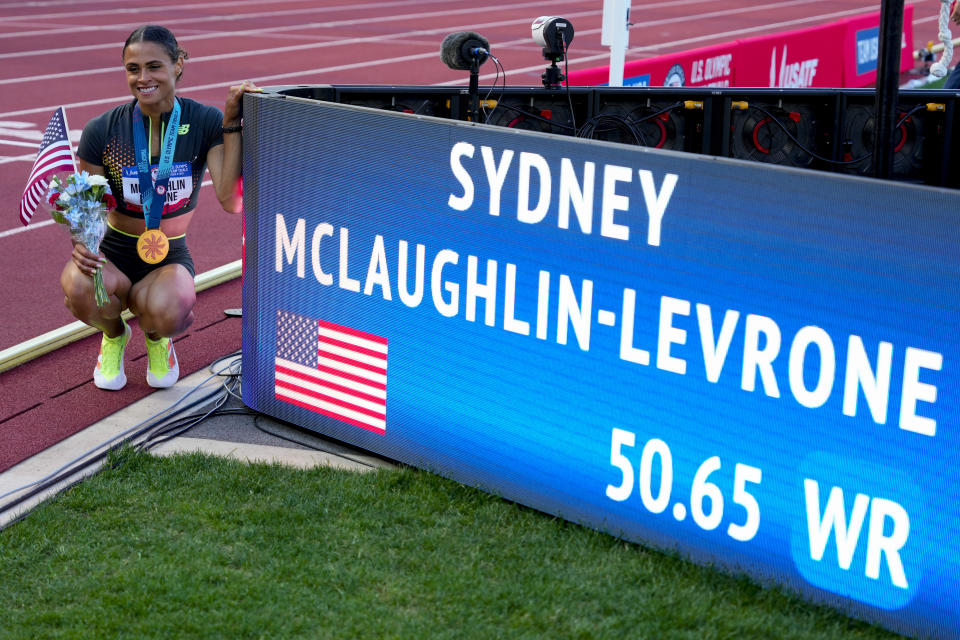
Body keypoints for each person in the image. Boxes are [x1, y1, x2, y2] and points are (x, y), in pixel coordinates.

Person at [61, 25, 260, 390]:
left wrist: (232, 122)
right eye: (133, 69)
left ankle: (157, 339)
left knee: (173, 307)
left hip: (169, 254)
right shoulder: (102, 130)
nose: (143, 78)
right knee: (78, 286)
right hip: (115, 253)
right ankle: (114, 335)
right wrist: (81, 242)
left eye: (154, 66)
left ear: (179, 64)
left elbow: (232, 202)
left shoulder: (204, 122)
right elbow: (87, 209)